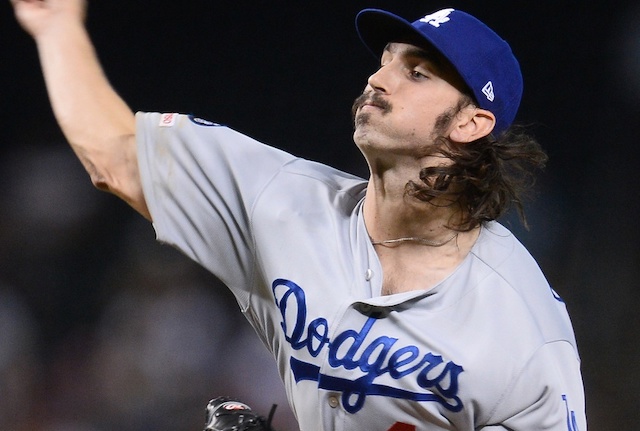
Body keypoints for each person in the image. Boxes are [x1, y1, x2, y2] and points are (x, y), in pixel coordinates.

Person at [11, 1, 587, 430]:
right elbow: (114, 156)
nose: (378, 78)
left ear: (470, 124)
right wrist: (57, 30)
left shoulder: (524, 331)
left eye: (417, 72)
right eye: (385, 62)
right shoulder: (284, 202)